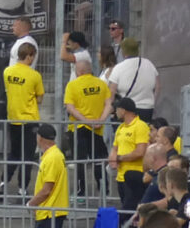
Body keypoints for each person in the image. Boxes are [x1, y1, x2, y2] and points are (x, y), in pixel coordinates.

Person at [62, 55, 110, 196]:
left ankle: (80, 192)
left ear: (79, 71)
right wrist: (101, 120)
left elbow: (70, 108)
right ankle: (103, 189)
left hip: (78, 128)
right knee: (99, 160)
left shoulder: (72, 85)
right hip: (98, 128)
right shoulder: (101, 84)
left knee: (80, 161)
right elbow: (108, 104)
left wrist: (86, 121)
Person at [2, 42, 43, 193]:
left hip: (13, 118)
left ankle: (3, 182)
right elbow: (40, 98)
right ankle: (22, 188)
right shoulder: (35, 75)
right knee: (27, 156)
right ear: (30, 56)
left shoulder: (7, 72)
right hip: (30, 120)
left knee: (14, 153)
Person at [109, 97, 150, 210]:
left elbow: (140, 151)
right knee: (125, 207)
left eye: (117, 109)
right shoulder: (120, 128)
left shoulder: (140, 126)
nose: (115, 112)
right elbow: (115, 148)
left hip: (134, 177)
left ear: (123, 110)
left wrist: (120, 158)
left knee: (130, 209)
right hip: (121, 177)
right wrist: (112, 159)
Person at [108, 37, 160, 123]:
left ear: (124, 52)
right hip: (147, 110)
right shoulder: (149, 64)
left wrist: (112, 108)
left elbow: (111, 92)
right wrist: (152, 102)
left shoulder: (119, 68)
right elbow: (157, 87)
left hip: (126, 111)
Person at [28, 124, 68, 228]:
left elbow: (46, 190)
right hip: (50, 212)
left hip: (49, 213)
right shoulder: (55, 155)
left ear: (40, 138)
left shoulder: (52, 158)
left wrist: (31, 204)